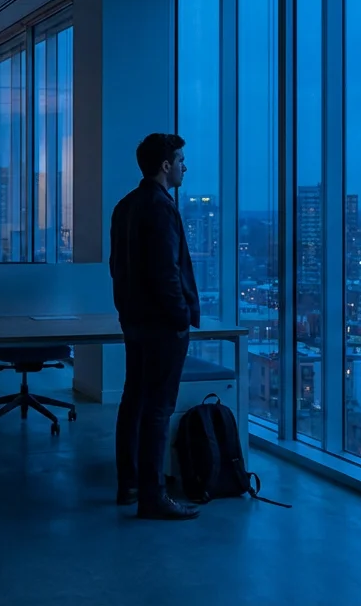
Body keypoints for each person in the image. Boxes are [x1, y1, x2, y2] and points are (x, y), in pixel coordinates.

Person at [108, 132, 201, 521]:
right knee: (159, 408)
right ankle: (153, 496)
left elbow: (117, 266)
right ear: (165, 166)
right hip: (162, 324)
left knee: (134, 401)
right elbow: (166, 271)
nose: (184, 166)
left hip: (135, 320)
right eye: (180, 160)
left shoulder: (126, 205)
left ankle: (129, 484)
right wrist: (180, 318)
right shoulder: (161, 207)